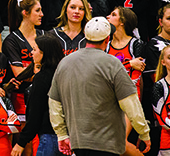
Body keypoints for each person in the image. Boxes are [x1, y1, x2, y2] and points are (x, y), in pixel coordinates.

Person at [49, 16, 151, 156]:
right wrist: (144, 132)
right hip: (108, 145)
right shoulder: (113, 64)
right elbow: (131, 103)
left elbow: (54, 103)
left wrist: (61, 135)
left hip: (78, 143)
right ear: (107, 39)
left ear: (85, 36)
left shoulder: (65, 63)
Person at [10, 34, 65, 156]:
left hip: (49, 137)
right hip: (67, 137)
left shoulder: (43, 78)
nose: (31, 52)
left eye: (35, 49)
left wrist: (21, 143)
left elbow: (35, 113)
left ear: (44, 53)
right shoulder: (65, 74)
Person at [106, 7, 146, 156]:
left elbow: (136, 76)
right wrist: (129, 64)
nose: (108, 16)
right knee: (110, 145)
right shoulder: (106, 44)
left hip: (129, 99)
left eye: (113, 15)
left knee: (119, 142)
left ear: (122, 22)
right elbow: (104, 71)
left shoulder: (137, 44)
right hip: (109, 100)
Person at [2, 0, 44, 119]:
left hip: (44, 95)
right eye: (37, 10)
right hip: (20, 98)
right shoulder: (12, 41)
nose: (42, 14)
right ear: (25, 13)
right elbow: (19, 74)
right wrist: (44, 74)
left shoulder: (45, 36)